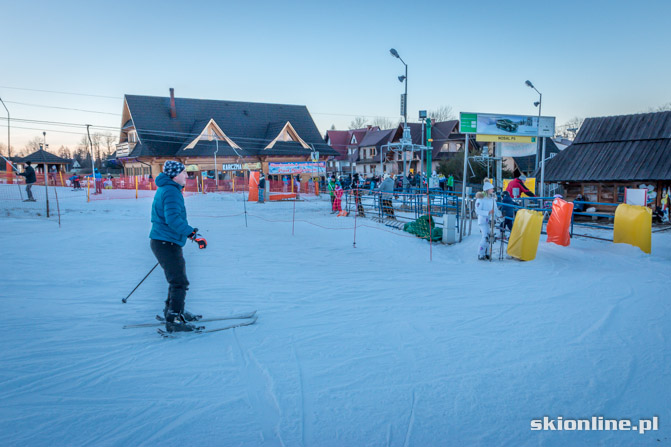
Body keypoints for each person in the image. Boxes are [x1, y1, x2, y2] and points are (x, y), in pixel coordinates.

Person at [150, 160, 207, 333]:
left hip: (165, 242)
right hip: (166, 243)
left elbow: (173, 218)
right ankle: (173, 319)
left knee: (176, 280)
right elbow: (173, 219)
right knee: (179, 282)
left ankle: (174, 311)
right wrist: (193, 235)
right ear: (174, 175)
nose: (187, 176)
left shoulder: (168, 189)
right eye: (184, 172)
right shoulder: (171, 192)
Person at [475, 182, 498, 260]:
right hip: (483, 221)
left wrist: (500, 217)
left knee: (490, 237)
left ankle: (487, 252)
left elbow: (495, 209)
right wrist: (487, 212)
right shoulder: (480, 199)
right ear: (487, 190)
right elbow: (477, 210)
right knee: (485, 237)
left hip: (490, 221)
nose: (493, 190)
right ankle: (480, 253)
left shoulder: (492, 199)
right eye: (491, 188)